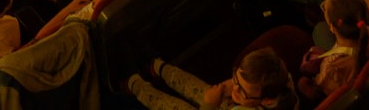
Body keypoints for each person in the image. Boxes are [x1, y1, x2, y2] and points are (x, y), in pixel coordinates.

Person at [127, 47, 297, 110]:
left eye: (242, 91)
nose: (233, 89)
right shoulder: (283, 80)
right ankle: (157, 67)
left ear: (267, 100)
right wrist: (235, 88)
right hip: (242, 106)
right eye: (236, 79)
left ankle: (134, 84)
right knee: (199, 88)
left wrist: (209, 105)